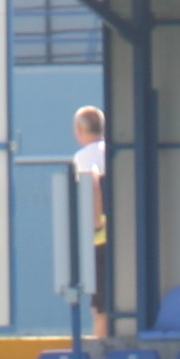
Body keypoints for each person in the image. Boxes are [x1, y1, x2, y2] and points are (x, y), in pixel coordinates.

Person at [72, 107, 112, 341]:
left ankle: (101, 349)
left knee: (100, 306)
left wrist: (95, 224)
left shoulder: (84, 157)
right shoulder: (112, 152)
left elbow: (92, 183)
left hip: (100, 240)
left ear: (79, 130)